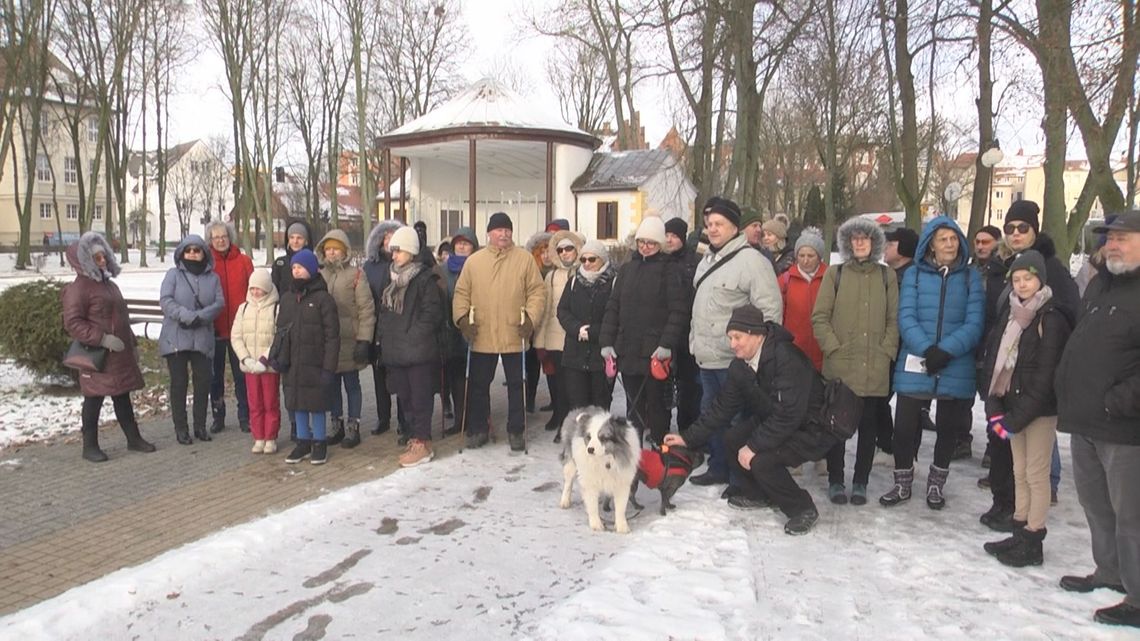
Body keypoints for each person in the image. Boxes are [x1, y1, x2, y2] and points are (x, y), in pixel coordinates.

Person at [664, 305, 835, 535]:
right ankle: (760, 494)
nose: (732, 344)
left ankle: (802, 509)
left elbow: (789, 414)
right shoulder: (740, 367)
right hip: (776, 421)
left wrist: (754, 446)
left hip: (811, 427)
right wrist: (686, 437)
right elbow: (722, 409)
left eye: (737, 337)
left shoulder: (787, 358)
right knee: (733, 438)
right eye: (730, 338)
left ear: (756, 335)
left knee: (762, 460)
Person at [1054, 210, 1140, 627]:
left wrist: (1120, 400)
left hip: (1124, 427)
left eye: (1123, 238)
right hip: (1084, 420)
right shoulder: (1101, 286)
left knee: (1132, 515)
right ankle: (1110, 572)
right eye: (1109, 238)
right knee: (1096, 504)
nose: (1112, 245)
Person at [983, 201, 1080, 527]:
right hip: (1009, 380)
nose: (1014, 234)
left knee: (1035, 463)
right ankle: (1013, 511)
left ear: (1035, 230)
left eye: (1022, 228)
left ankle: (1031, 518)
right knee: (1016, 461)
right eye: (1009, 229)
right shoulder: (1008, 267)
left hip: (1037, 382)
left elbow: (1065, 321)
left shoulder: (1050, 271)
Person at [880, 216, 983, 510]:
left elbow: (975, 321)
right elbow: (906, 316)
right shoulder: (913, 275)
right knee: (903, 427)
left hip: (955, 361)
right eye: (942, 239)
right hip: (917, 358)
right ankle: (902, 483)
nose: (949, 244)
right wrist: (927, 348)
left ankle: (936, 484)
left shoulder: (970, 277)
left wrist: (946, 351)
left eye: (953, 239)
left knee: (948, 430)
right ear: (931, 245)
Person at [978, 250, 1069, 567]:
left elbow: (1046, 377)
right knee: (1018, 472)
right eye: (1016, 279)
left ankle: (1033, 536)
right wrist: (995, 407)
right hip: (1011, 407)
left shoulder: (1050, 319)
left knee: (1036, 473)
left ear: (1040, 280)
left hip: (1038, 411)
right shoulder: (1010, 313)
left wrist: (1015, 418)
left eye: (1028, 278)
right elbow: (995, 362)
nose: (1022, 284)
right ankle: (1019, 529)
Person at [689, 196, 782, 486]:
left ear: (734, 227)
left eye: (719, 224)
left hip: (736, 360)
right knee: (710, 414)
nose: (713, 229)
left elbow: (770, 311)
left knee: (737, 420)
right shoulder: (707, 260)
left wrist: (758, 356)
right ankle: (718, 466)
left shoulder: (751, 261)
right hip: (706, 356)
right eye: (709, 224)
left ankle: (739, 476)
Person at [813, 217, 898, 506]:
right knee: (837, 427)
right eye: (855, 238)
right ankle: (836, 479)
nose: (860, 242)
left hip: (874, 366)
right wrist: (833, 348)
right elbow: (820, 317)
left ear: (874, 243)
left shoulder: (887, 277)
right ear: (847, 243)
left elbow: (894, 320)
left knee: (869, 427)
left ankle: (860, 481)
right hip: (841, 365)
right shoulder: (835, 274)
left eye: (866, 237)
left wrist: (887, 350)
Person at [452, 212, 546, 451]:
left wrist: (531, 320)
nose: (503, 234)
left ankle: (516, 430)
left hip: (515, 332)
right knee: (478, 384)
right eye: (498, 230)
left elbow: (537, 292)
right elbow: (461, 293)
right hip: (481, 334)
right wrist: (462, 320)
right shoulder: (474, 261)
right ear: (489, 233)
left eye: (507, 230)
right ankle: (479, 428)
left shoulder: (524, 259)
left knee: (517, 384)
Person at [62, 232, 155, 462]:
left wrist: (131, 343)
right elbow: (73, 322)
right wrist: (101, 339)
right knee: (94, 400)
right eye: (97, 258)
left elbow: (120, 316)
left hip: (119, 355)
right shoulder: (79, 288)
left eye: (104, 256)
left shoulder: (108, 285)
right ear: (85, 261)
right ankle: (90, 446)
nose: (102, 261)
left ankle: (133, 439)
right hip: (98, 356)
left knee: (122, 396)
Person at [599, 216, 690, 446]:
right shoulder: (627, 269)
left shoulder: (670, 270)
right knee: (633, 408)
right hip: (628, 349)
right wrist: (607, 342)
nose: (645, 247)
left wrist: (666, 345)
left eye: (651, 242)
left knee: (657, 405)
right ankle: (633, 453)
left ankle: (661, 451)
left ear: (660, 244)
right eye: (642, 242)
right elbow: (613, 306)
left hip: (655, 352)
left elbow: (678, 311)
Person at [377, 226, 444, 467]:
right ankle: (417, 439)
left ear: (412, 252)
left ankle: (422, 441)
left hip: (418, 351)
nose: (393, 255)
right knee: (405, 398)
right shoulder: (391, 279)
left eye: (398, 251)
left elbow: (431, 315)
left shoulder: (425, 279)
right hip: (396, 352)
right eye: (392, 251)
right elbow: (385, 314)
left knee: (420, 398)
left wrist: (411, 337)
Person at [159, 235, 225, 445]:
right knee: (179, 383)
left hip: (202, 336)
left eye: (197, 250)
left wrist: (200, 317)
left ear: (204, 253)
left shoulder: (212, 278)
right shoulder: (173, 275)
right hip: (176, 336)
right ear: (182, 252)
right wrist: (186, 316)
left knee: (203, 382)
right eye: (189, 250)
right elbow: (166, 300)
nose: (193, 254)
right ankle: (181, 428)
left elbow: (219, 303)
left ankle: (200, 426)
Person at [277, 249, 339, 465]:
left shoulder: (323, 299)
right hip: (293, 362)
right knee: (297, 403)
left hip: (316, 361)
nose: (296, 271)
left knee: (316, 403)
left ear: (311, 269)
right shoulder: (287, 299)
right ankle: (303, 441)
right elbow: (281, 330)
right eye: (293, 267)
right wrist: (279, 357)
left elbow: (332, 336)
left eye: (300, 267)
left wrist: (329, 367)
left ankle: (319, 442)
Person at [313, 229, 375, 448]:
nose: (331, 253)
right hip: (328, 341)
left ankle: (353, 425)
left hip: (350, 338)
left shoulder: (356, 275)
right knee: (331, 385)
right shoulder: (319, 275)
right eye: (328, 249)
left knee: (352, 384)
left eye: (336, 249)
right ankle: (336, 423)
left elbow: (366, 309)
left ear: (344, 251)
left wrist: (364, 340)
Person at [557, 238, 616, 443]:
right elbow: (562, 310)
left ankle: (600, 438)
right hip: (575, 352)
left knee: (600, 401)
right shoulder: (574, 281)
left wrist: (594, 332)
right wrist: (577, 329)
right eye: (584, 259)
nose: (587, 263)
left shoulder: (613, 282)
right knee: (577, 401)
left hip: (600, 352)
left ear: (603, 259)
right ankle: (579, 440)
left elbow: (615, 315)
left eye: (592, 259)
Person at [204, 220, 254, 434]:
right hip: (214, 330)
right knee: (215, 378)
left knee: (242, 375)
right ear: (210, 241)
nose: (221, 240)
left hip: (240, 329)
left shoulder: (243, 261)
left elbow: (254, 291)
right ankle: (218, 416)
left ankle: (245, 416)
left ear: (230, 237)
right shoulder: (206, 264)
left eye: (223, 236)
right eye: (216, 237)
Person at [362, 220, 408, 438]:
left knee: (398, 376)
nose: (389, 241)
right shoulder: (369, 266)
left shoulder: (405, 266)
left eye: (393, 237)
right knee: (379, 376)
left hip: (397, 328)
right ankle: (383, 418)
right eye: (385, 237)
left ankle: (403, 420)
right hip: (375, 327)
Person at [534, 230, 583, 432]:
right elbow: (545, 310)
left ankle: (570, 423)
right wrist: (540, 340)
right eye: (560, 250)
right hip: (554, 339)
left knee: (574, 386)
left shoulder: (582, 273)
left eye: (568, 248)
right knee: (558, 383)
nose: (564, 253)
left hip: (576, 339)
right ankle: (559, 416)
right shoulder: (552, 276)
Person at [230, 269, 282, 454]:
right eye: (252, 288)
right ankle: (258, 436)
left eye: (259, 288)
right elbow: (236, 336)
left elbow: (278, 337)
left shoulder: (276, 308)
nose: (255, 292)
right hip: (250, 366)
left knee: (270, 402)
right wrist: (245, 358)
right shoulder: (243, 308)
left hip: (268, 366)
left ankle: (270, 437)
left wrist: (264, 359)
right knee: (255, 403)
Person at [436, 227, 479, 435]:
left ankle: (477, 418)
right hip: (450, 330)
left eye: (466, 243)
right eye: (458, 243)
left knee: (474, 378)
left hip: (474, 328)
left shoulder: (480, 267)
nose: (462, 246)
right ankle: (460, 419)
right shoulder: (443, 270)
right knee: (455, 379)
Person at [664, 217, 702, 432]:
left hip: (687, 332)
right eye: (667, 235)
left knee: (689, 386)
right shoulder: (661, 260)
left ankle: (689, 428)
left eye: (674, 236)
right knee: (665, 384)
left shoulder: (694, 261)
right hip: (665, 333)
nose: (669, 240)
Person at [778, 226, 828, 371]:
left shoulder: (830, 278)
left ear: (819, 257)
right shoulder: (785, 280)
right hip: (794, 352)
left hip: (823, 352)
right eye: (801, 255)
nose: (805, 260)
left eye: (810, 256)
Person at [525, 229, 554, 413]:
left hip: (551, 327)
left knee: (552, 367)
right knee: (532, 366)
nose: (545, 256)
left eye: (548, 251)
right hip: (533, 327)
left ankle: (556, 401)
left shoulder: (558, 272)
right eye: (541, 252)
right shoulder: (532, 272)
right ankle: (529, 400)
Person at [272, 219, 314, 294]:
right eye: (292, 237)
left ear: (306, 241)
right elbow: (273, 288)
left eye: (299, 238)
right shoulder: (280, 263)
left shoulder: (313, 262)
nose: (295, 241)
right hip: (284, 304)